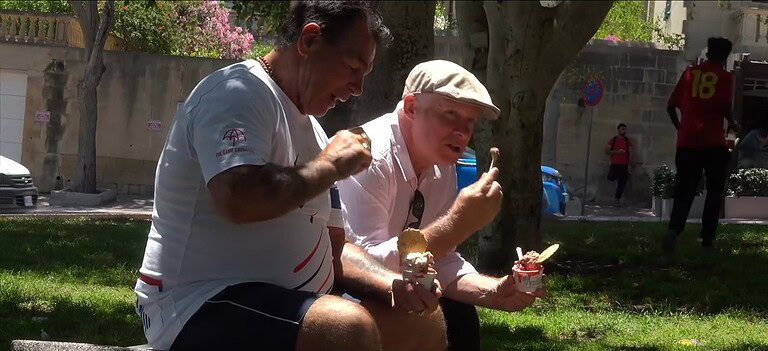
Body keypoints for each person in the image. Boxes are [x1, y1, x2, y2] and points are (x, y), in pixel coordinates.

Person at [134, 2, 448, 350]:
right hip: (192, 304)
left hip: (290, 302)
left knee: (421, 321)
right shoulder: (236, 93)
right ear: (309, 40)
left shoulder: (314, 131)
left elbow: (335, 250)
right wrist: (329, 166)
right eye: (352, 67)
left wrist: (392, 284)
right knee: (346, 329)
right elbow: (237, 197)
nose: (358, 87)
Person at [337, 60, 545, 351]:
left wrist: (493, 292)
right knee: (427, 316)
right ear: (411, 107)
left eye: (470, 121)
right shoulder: (368, 158)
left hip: (400, 287)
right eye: (451, 114)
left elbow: (441, 259)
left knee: (460, 317)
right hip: (343, 295)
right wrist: (458, 223)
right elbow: (363, 267)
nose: (462, 132)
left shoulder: (440, 165)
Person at [664, 37, 737, 252]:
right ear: (724, 56)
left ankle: (674, 230)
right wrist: (732, 122)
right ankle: (707, 240)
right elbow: (724, 106)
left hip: (687, 142)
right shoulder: (725, 77)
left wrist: (680, 128)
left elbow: (671, 106)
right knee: (714, 190)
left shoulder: (689, 73)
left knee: (684, 189)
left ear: (708, 53)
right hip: (713, 142)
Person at [606, 123, 632, 207]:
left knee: (622, 183)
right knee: (611, 179)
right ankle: (609, 196)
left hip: (624, 165)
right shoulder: (613, 140)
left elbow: (630, 152)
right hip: (615, 164)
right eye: (622, 129)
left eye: (625, 129)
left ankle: (617, 199)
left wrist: (630, 164)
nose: (624, 131)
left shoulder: (627, 141)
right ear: (618, 130)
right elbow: (607, 151)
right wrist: (617, 152)